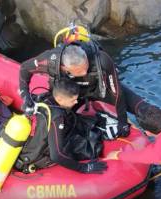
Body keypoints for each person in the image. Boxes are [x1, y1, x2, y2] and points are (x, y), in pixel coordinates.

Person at [19, 35, 150, 138]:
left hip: (98, 90)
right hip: (72, 95)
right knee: (57, 122)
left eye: (86, 68)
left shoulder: (102, 60)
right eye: (80, 71)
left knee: (146, 113)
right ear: (65, 68)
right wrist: (26, 97)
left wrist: (122, 122)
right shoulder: (49, 61)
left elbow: (117, 93)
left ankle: (160, 124)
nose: (85, 73)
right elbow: (25, 68)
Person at [16, 78, 107, 174]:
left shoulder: (43, 98)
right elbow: (56, 155)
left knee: (79, 122)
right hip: (36, 158)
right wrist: (85, 168)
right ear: (59, 99)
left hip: (29, 147)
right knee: (94, 148)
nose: (76, 102)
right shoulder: (57, 118)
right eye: (73, 100)